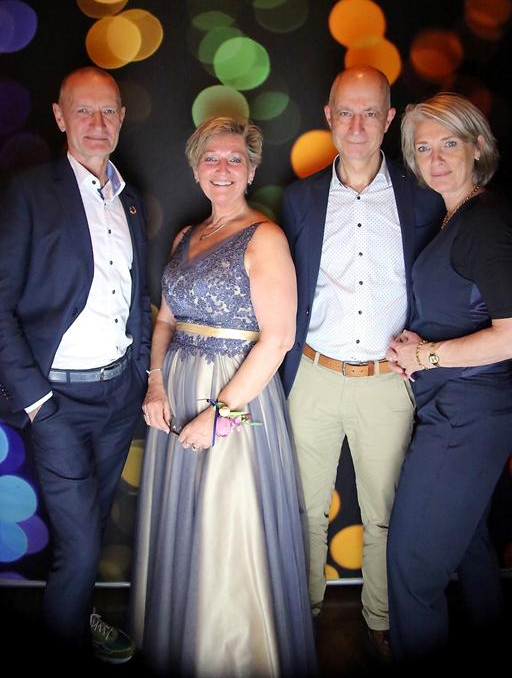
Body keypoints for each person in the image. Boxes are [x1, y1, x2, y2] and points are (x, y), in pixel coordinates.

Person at [129, 116, 316, 678]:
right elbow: (166, 320)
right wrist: (155, 382)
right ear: (195, 168)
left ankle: (232, 656)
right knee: (182, 518)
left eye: (236, 159)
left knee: (226, 522)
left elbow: (278, 339)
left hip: (236, 394)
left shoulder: (266, 237)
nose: (223, 168)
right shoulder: (186, 236)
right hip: (176, 390)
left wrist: (219, 415)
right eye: (211, 158)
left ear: (252, 170)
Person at [279, 65, 444, 658]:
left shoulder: (422, 198)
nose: (356, 126)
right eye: (345, 112)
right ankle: (301, 619)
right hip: (314, 376)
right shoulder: (298, 198)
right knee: (303, 510)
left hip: (386, 382)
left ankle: (382, 621)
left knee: (386, 514)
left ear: (389, 119)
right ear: (328, 116)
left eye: (370, 112)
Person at [0, 67, 151, 663]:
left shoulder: (129, 200)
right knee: (81, 545)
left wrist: (140, 376)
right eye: (83, 110)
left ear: (122, 118)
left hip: (117, 399)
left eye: (108, 110)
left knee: (91, 529)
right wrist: (37, 402)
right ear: (60, 116)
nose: (96, 123)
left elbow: (136, 296)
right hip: (56, 402)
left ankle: (78, 618)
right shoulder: (29, 191)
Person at [386, 92, 512, 663]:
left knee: (412, 568)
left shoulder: (485, 221)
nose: (435, 159)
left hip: (467, 416)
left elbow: (508, 334)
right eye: (422, 148)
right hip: (455, 407)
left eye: (449, 143)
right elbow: (459, 310)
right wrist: (416, 348)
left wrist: (427, 358)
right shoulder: (456, 218)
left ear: (477, 147)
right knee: (471, 547)